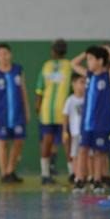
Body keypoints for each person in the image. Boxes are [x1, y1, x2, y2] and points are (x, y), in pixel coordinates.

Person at [70, 45, 110, 193]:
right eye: (87, 59)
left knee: (99, 153)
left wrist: (106, 48)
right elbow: (73, 64)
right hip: (86, 123)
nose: (88, 62)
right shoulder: (89, 75)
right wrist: (86, 52)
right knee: (83, 151)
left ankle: (97, 180)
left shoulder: (108, 76)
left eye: (91, 59)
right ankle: (80, 180)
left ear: (100, 61)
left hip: (101, 124)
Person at [0, 43, 30, 183]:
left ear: (10, 55)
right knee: (2, 142)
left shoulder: (18, 70)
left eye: (6, 53)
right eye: (0, 54)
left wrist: (27, 110)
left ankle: (11, 170)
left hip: (17, 113)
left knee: (19, 141)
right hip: (1, 115)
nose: (3, 57)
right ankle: (3, 173)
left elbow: (23, 91)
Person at [35, 39, 72, 185]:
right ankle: (73, 174)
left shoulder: (47, 66)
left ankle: (45, 174)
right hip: (62, 111)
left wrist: (37, 106)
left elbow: (39, 89)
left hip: (49, 111)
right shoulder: (69, 66)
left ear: (52, 51)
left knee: (48, 142)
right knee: (67, 143)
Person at [61, 73, 85, 183]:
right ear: (73, 84)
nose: (83, 85)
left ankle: (85, 175)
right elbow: (65, 116)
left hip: (86, 132)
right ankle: (75, 174)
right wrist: (64, 131)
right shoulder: (70, 100)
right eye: (81, 82)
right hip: (75, 133)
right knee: (75, 154)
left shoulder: (87, 98)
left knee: (87, 155)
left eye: (85, 83)